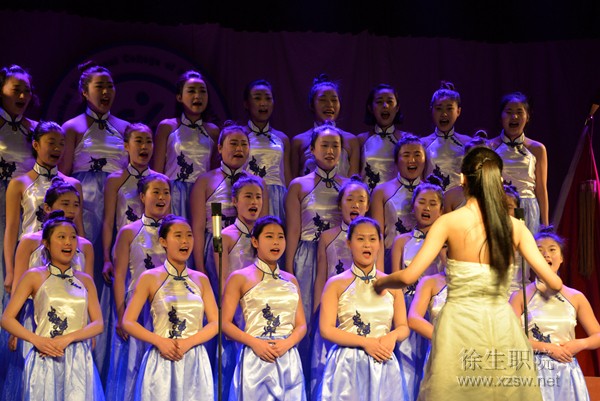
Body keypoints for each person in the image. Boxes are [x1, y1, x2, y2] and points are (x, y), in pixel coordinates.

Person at [374, 146, 563, 400]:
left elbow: (408, 277)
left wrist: (380, 283)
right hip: (501, 325)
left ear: (462, 179)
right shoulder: (515, 227)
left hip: (458, 326)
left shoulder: (448, 221)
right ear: (498, 181)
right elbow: (554, 283)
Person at [1, 214, 104, 400]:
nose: (68, 242)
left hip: (78, 360)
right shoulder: (34, 276)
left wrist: (68, 338)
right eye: (61, 237)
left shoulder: (85, 280)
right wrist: (36, 340)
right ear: (46, 243)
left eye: (73, 237)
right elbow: (7, 319)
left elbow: (98, 324)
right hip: (44, 356)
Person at [123, 215, 217, 401]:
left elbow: (215, 323)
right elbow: (128, 321)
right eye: (178, 235)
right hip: (162, 358)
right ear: (163, 241)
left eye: (189, 235)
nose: (185, 241)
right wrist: (160, 342)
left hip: (194, 359)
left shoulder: (201, 279)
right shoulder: (149, 277)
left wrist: (188, 343)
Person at [317, 217, 409, 401]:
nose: (367, 244)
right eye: (360, 239)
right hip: (347, 366)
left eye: (372, 239)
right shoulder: (335, 284)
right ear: (349, 243)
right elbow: (326, 329)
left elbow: (403, 327)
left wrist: (392, 336)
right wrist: (365, 342)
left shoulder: (392, 284)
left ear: (379, 244)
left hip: (383, 362)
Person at [59, 61, 129, 288]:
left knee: (116, 255)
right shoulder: (72, 127)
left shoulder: (125, 128)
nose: (106, 91)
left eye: (110, 86)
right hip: (86, 201)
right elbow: (63, 172)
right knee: (85, 252)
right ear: (85, 91)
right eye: (99, 86)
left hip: (118, 198)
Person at [310, 176, 381, 397]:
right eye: (349, 199)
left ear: (367, 206)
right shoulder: (328, 237)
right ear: (340, 204)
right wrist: (317, 311)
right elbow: (321, 276)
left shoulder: (374, 238)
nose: (355, 204)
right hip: (337, 305)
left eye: (361, 200)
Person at [510, 227, 600, 401]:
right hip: (532, 371)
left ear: (562, 258)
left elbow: (597, 335)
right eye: (539, 250)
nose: (546, 255)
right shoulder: (519, 296)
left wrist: (580, 344)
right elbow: (510, 338)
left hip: (567, 373)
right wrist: (548, 348)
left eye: (552, 249)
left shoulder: (576, 297)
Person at [222, 216, 307, 401]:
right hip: (256, 358)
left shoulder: (291, 280)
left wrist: (287, 343)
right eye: (269, 236)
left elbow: (301, 325)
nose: (276, 242)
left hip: (287, 357)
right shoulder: (239, 278)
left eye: (280, 237)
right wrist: (255, 343)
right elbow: (225, 323)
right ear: (255, 241)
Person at [106, 173, 171, 401]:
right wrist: (121, 315)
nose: (162, 197)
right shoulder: (129, 232)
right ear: (142, 196)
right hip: (138, 308)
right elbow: (120, 276)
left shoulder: (177, 231)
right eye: (156, 192)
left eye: (166, 192)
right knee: (134, 364)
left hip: (167, 310)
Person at [4, 122, 84, 298]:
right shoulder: (19, 184)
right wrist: (10, 270)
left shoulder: (73, 184)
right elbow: (11, 228)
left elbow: (79, 228)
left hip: (65, 255)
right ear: (36, 144)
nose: (57, 148)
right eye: (51, 142)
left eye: (61, 144)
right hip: (32, 254)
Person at [191, 123, 268, 291]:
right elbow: (198, 228)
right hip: (216, 248)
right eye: (233, 143)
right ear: (219, 148)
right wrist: (200, 268)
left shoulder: (258, 183)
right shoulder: (205, 181)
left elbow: (264, 226)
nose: (239, 148)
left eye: (244, 144)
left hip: (250, 249)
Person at [389, 175, 446, 401]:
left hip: (437, 309)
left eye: (433, 203)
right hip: (407, 307)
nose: (427, 208)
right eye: (422, 202)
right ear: (413, 206)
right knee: (408, 365)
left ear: (441, 210)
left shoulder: (448, 242)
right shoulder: (401, 241)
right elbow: (395, 282)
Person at [217, 174, 264, 401]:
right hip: (235, 309)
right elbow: (220, 276)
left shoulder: (268, 235)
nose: (254, 201)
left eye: (258, 197)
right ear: (235, 201)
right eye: (248, 196)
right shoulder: (223, 236)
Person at [153, 70, 220, 219]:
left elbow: (215, 173)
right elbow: (157, 173)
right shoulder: (167, 127)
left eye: (202, 91)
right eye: (191, 91)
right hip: (173, 195)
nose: (198, 96)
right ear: (179, 97)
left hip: (202, 195)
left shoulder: (214, 131)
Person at [0, 64, 38, 305]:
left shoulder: (35, 130)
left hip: (26, 203)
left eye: (27, 91)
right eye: (16, 90)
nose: (22, 96)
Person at [102, 123, 157, 283]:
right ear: (126, 146)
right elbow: (108, 222)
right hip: (126, 248)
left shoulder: (160, 180)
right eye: (138, 141)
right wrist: (106, 258)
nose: (144, 146)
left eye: (148, 141)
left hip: (154, 248)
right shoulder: (115, 180)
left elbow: (166, 222)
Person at [489, 92, 548, 234]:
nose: (514, 116)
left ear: (527, 117)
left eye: (519, 112)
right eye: (509, 112)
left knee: (526, 246)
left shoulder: (537, 149)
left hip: (528, 207)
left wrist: (546, 226)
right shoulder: (489, 147)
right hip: (500, 207)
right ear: (501, 116)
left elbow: (541, 189)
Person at [370, 134, 426, 272]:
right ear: (396, 161)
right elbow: (377, 235)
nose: (412, 160)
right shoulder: (381, 191)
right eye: (406, 155)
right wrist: (379, 271)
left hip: (424, 257)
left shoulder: (431, 193)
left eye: (417, 155)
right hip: (390, 258)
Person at [290, 73, 359, 178]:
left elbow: (353, 182)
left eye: (334, 100)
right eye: (323, 100)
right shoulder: (299, 141)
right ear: (312, 104)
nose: (329, 104)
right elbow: (294, 182)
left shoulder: (351, 141)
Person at [242, 79, 290, 221]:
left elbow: (287, 176)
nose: (263, 103)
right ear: (246, 103)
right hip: (251, 195)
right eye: (257, 98)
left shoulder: (282, 138)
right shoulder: (240, 135)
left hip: (278, 198)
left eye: (268, 98)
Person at [421, 81, 472, 192]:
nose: (444, 114)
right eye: (439, 108)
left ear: (458, 111)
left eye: (449, 109)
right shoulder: (422, 144)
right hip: (431, 199)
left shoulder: (468, 143)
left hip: (460, 200)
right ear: (431, 110)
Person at [357, 84, 408, 192]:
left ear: (397, 107)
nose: (385, 105)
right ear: (370, 108)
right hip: (366, 200)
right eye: (379, 102)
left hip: (398, 200)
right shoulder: (360, 140)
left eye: (390, 101)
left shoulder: (407, 140)